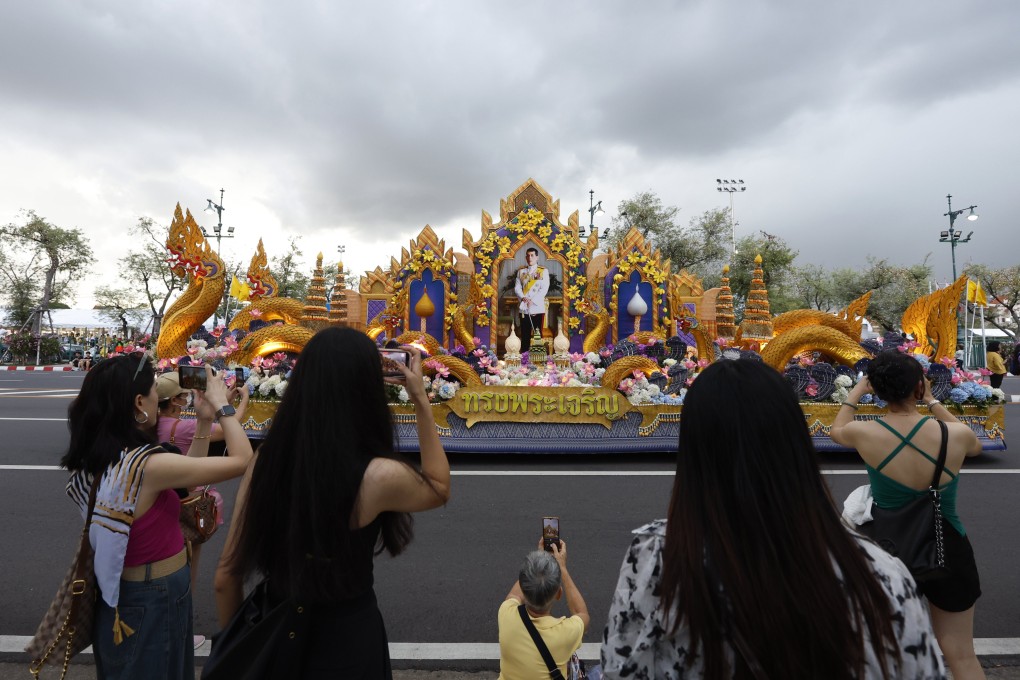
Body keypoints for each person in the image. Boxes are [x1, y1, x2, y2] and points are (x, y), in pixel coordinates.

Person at [602, 359, 944, 680]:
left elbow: (619, 664)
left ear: (693, 451)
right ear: (795, 442)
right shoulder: (880, 576)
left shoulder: (657, 558)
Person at [213, 326, 451, 677]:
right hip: (348, 644)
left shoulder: (265, 461)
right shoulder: (376, 475)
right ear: (366, 388)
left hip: (276, 635)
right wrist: (420, 401)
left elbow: (225, 577)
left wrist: (240, 647)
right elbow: (439, 485)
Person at [61, 353, 253, 680]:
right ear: (139, 403)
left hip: (133, 595)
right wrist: (223, 405)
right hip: (151, 597)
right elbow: (241, 459)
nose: (157, 398)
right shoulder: (147, 465)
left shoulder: (109, 457)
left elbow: (187, 481)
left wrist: (205, 421)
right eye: (152, 390)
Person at [831, 350, 986, 679]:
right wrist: (930, 401)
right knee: (961, 654)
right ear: (918, 385)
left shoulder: (865, 433)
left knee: (888, 652)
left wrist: (859, 390)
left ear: (877, 388)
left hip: (889, 552)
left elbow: (836, 429)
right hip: (949, 549)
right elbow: (975, 445)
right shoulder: (954, 435)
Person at [498, 541, 589, 680]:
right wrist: (562, 568)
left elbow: (514, 595)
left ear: (523, 588)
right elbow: (581, 614)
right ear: (559, 594)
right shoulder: (566, 633)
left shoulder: (506, 614)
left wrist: (539, 560)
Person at [514, 247, 549, 353]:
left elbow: (544, 289)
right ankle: (524, 357)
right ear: (526, 257)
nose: (530, 258)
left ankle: (539, 358)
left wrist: (532, 301)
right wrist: (524, 298)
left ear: (537, 257)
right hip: (524, 308)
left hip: (537, 308)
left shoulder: (543, 271)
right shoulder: (521, 272)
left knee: (538, 335)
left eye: (532, 255)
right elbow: (517, 287)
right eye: (528, 255)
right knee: (525, 335)